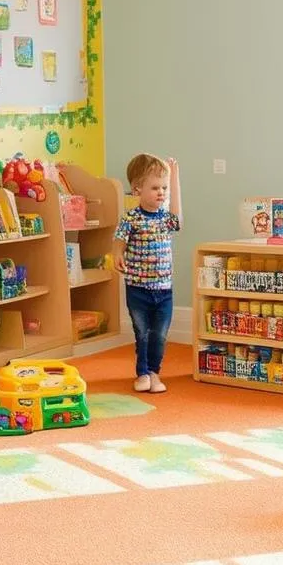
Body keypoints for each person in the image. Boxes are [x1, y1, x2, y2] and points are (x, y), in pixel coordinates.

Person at [113, 154, 181, 393]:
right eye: (155, 188)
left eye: (164, 188)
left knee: (159, 334)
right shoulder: (131, 218)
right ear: (137, 189)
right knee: (142, 332)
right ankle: (142, 372)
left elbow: (177, 214)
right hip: (138, 288)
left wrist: (174, 178)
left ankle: (154, 371)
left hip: (164, 289)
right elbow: (119, 240)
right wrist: (118, 255)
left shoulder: (166, 219)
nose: (161, 192)